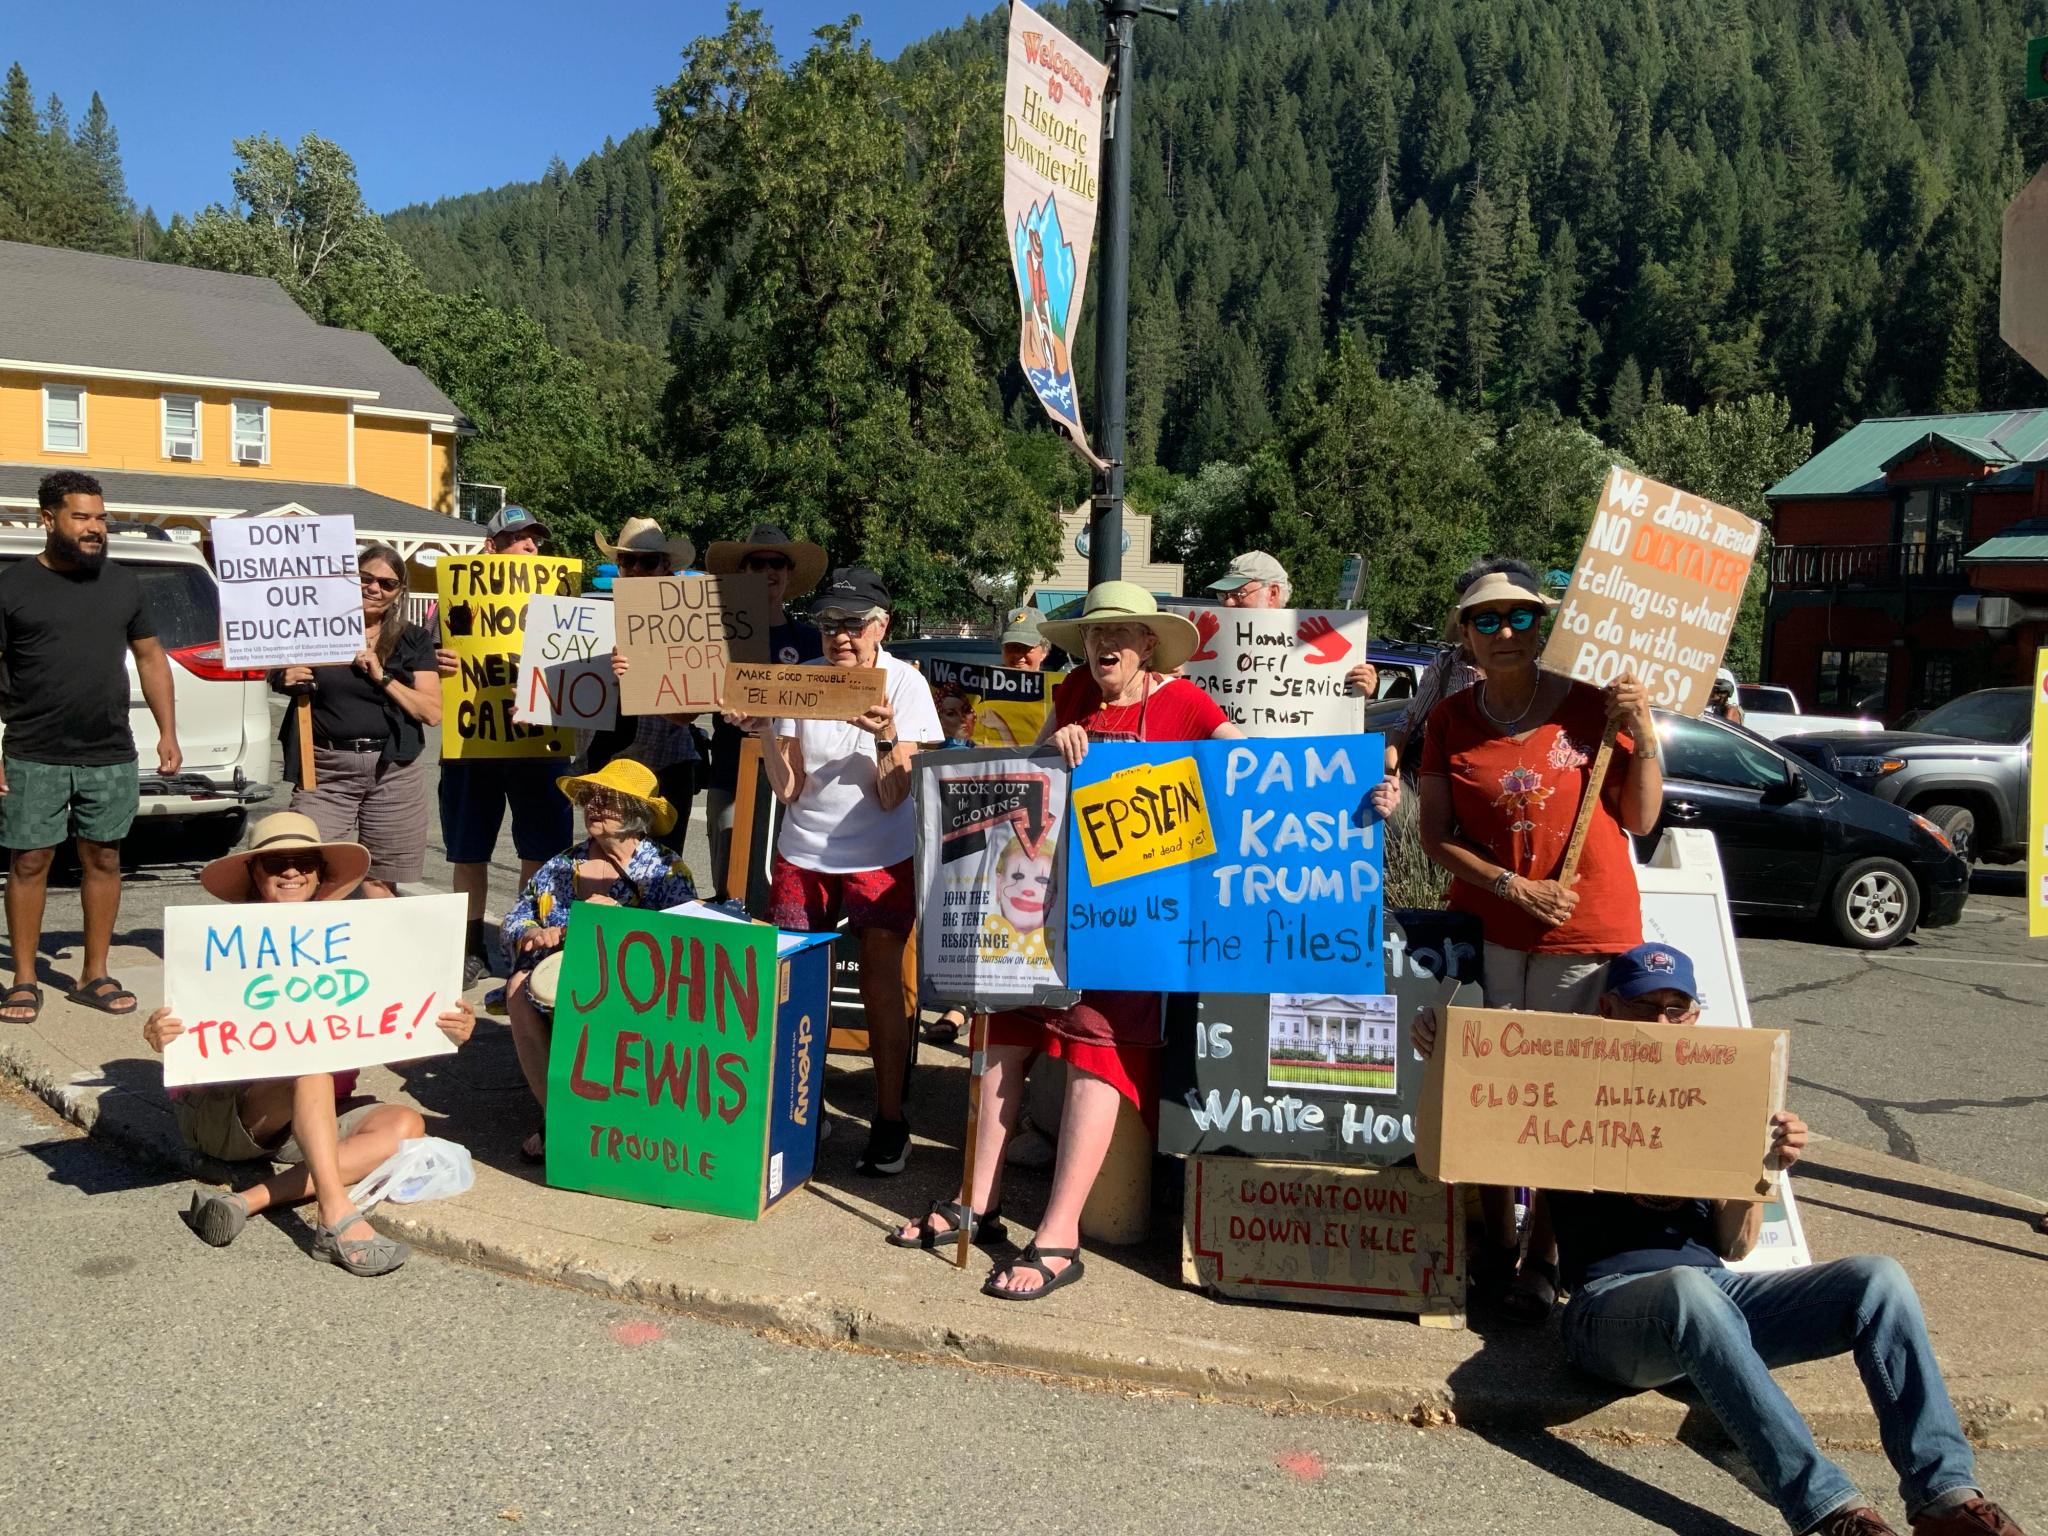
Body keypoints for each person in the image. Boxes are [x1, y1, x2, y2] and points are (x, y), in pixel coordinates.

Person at [1413, 947, 2029, 1536]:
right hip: (1609, 1314)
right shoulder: (1573, 1076)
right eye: (1643, 1005)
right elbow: (1474, 1115)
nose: (1661, 1021)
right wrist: (1440, 1051)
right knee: (1688, 1293)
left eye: (1675, 1008)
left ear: (1696, 1016)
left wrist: (1761, 1167)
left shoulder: (1718, 1092)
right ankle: (1830, 1509)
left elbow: (1734, 1246)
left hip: (1717, 1298)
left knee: (1879, 1279)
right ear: (1607, 1011)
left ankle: (1947, 1498)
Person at [892, 583, 1397, 1296]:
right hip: (1048, 910)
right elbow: (1027, 782)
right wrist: (1052, 746)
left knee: (1098, 1053)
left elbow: (1250, 768)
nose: (1106, 644)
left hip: (1136, 923)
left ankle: (1060, 1237)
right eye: (1097, 632)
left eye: (1122, 633)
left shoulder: (1186, 704)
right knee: (1003, 1036)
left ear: (1148, 644)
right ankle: (976, 1206)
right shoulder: (1071, 693)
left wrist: (1358, 782)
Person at [1417, 558, 1662, 1319]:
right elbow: (1435, 834)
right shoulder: (1451, 722)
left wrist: (1646, 731)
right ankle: (1497, 1243)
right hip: (1490, 930)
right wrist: (1512, 885)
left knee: (1561, 1103)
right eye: (1486, 621)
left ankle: (1545, 1257)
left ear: (1542, 626)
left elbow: (1643, 818)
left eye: (1520, 618)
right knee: (1491, 1096)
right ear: (1464, 637)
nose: (1504, 634)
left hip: (1585, 934)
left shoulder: (1595, 706)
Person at [141, 813, 476, 1277]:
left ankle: (246, 1200)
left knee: (405, 1123)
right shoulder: (220, 941)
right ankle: (335, 1218)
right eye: (277, 862)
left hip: (312, 1116)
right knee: (310, 1060)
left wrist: (444, 1030)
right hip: (226, 1113)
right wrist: (162, 1033)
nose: (293, 872)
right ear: (255, 874)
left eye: (305, 862)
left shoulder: (351, 939)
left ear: (319, 875)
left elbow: (394, 1042)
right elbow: (190, 1034)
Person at [723, 567, 942, 1177]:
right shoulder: (798, 682)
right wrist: (767, 732)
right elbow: (789, 788)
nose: (840, 637)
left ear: (881, 626)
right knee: (796, 987)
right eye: (828, 624)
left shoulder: (905, 685)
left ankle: (891, 1117)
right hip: (805, 853)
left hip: (880, 854)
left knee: (880, 987)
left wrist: (887, 736)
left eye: (852, 624)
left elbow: (896, 796)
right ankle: (801, 1107)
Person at [0, 470, 180, 1024]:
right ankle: (25, 980)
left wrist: (167, 731)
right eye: (82, 516)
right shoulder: (12, 587)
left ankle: (93, 973)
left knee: (104, 857)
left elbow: (150, 658)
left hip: (109, 751)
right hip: (33, 749)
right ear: (48, 519)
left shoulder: (123, 585)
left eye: (100, 517)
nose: (95, 528)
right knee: (30, 861)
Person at [501, 759, 698, 1163]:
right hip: (561, 972)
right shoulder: (561, 865)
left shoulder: (666, 869)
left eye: (609, 801)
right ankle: (557, 1117)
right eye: (592, 798)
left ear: (637, 814)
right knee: (518, 988)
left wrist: (621, 924)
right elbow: (516, 915)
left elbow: (685, 938)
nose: (595, 806)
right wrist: (531, 933)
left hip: (636, 983)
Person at [434, 504, 575, 986]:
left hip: (540, 743)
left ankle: (525, 942)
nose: (532, 547)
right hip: (474, 740)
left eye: (536, 539)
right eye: (520, 539)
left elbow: (579, 667)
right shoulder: (454, 598)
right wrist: (440, 663)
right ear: (491, 547)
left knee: (539, 851)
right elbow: (426, 662)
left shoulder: (559, 598)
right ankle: (469, 947)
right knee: (467, 851)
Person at [275, 543, 439, 898]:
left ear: (398, 593)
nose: (374, 588)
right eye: (365, 578)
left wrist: (383, 676)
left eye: (387, 583)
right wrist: (283, 677)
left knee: (380, 880)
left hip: (394, 771)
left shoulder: (414, 639)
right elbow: (279, 671)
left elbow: (431, 711)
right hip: (326, 770)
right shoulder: (311, 630)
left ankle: (381, 953)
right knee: (305, 871)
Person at [700, 523, 827, 899]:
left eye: (778, 563)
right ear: (743, 572)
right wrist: (633, 669)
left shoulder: (810, 641)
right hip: (730, 774)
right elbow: (676, 704)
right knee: (731, 887)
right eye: (757, 563)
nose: (768, 570)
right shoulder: (712, 634)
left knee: (788, 889)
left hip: (798, 783)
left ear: (788, 574)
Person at [592, 517, 702, 845]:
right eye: (628, 560)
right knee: (609, 869)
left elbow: (688, 715)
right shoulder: (592, 618)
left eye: (649, 561)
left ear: (665, 567)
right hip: (611, 767)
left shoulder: (690, 622)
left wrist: (642, 678)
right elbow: (574, 701)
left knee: (662, 873)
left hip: (668, 765)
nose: (637, 568)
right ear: (618, 566)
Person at [1000, 606, 1051, 671]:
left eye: (1026, 647)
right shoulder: (988, 679)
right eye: (1011, 646)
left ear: (1044, 651)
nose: (1017, 654)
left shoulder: (1054, 681)